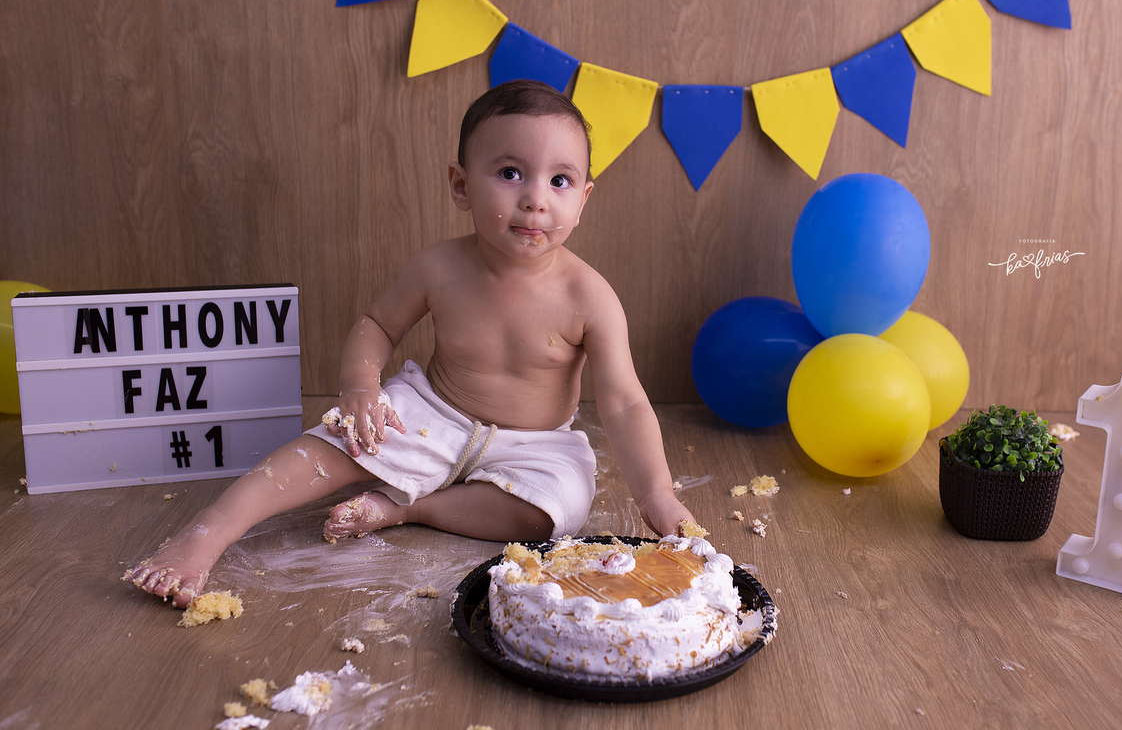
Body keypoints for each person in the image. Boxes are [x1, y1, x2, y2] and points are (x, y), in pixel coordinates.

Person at [124, 79, 696, 608]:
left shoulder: (590, 296)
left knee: (559, 510)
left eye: (560, 181)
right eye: (510, 173)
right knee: (324, 448)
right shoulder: (440, 267)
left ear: (584, 198)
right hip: (430, 414)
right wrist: (360, 388)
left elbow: (623, 402)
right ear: (461, 185)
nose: (535, 199)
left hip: (534, 442)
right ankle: (208, 532)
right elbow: (377, 325)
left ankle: (411, 505)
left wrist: (657, 493)